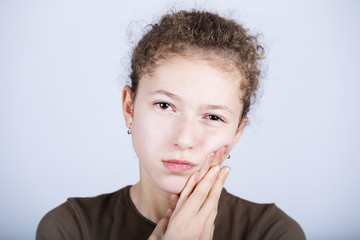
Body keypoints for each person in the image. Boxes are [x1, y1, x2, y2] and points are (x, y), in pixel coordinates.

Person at [36, 10, 306, 240]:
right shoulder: (70, 228)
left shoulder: (272, 232)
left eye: (213, 117)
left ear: (237, 132)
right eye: (164, 106)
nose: (185, 139)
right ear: (129, 108)